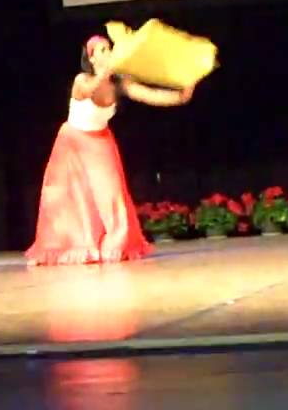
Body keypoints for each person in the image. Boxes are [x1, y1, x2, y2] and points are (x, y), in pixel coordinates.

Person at [26, 35, 197, 266]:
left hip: (100, 142)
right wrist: (106, 72)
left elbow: (150, 95)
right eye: (102, 50)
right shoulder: (81, 80)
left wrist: (180, 96)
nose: (108, 53)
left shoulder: (119, 83)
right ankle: (69, 246)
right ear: (92, 57)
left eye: (110, 49)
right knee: (68, 198)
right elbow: (90, 89)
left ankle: (115, 244)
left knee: (111, 194)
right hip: (73, 143)